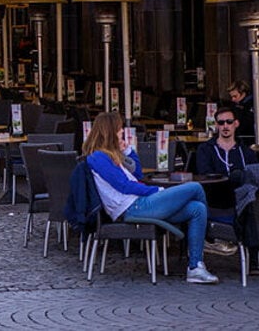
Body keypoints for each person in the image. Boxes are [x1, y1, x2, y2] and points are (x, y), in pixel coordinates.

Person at [84, 111, 219, 284]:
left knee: (197, 209)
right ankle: (209, 238)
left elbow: (137, 174)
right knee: (195, 187)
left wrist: (127, 150)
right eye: (119, 128)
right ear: (110, 130)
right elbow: (124, 186)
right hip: (133, 207)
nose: (122, 131)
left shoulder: (111, 154)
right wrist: (157, 190)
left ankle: (195, 267)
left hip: (139, 204)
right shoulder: (99, 157)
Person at [196, 106, 259, 273]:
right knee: (241, 181)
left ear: (236, 124)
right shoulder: (205, 150)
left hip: (241, 201)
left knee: (248, 200)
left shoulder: (246, 152)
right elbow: (205, 176)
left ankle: (250, 253)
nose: (225, 126)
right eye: (221, 122)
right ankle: (254, 257)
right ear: (216, 125)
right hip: (216, 198)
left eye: (229, 122)